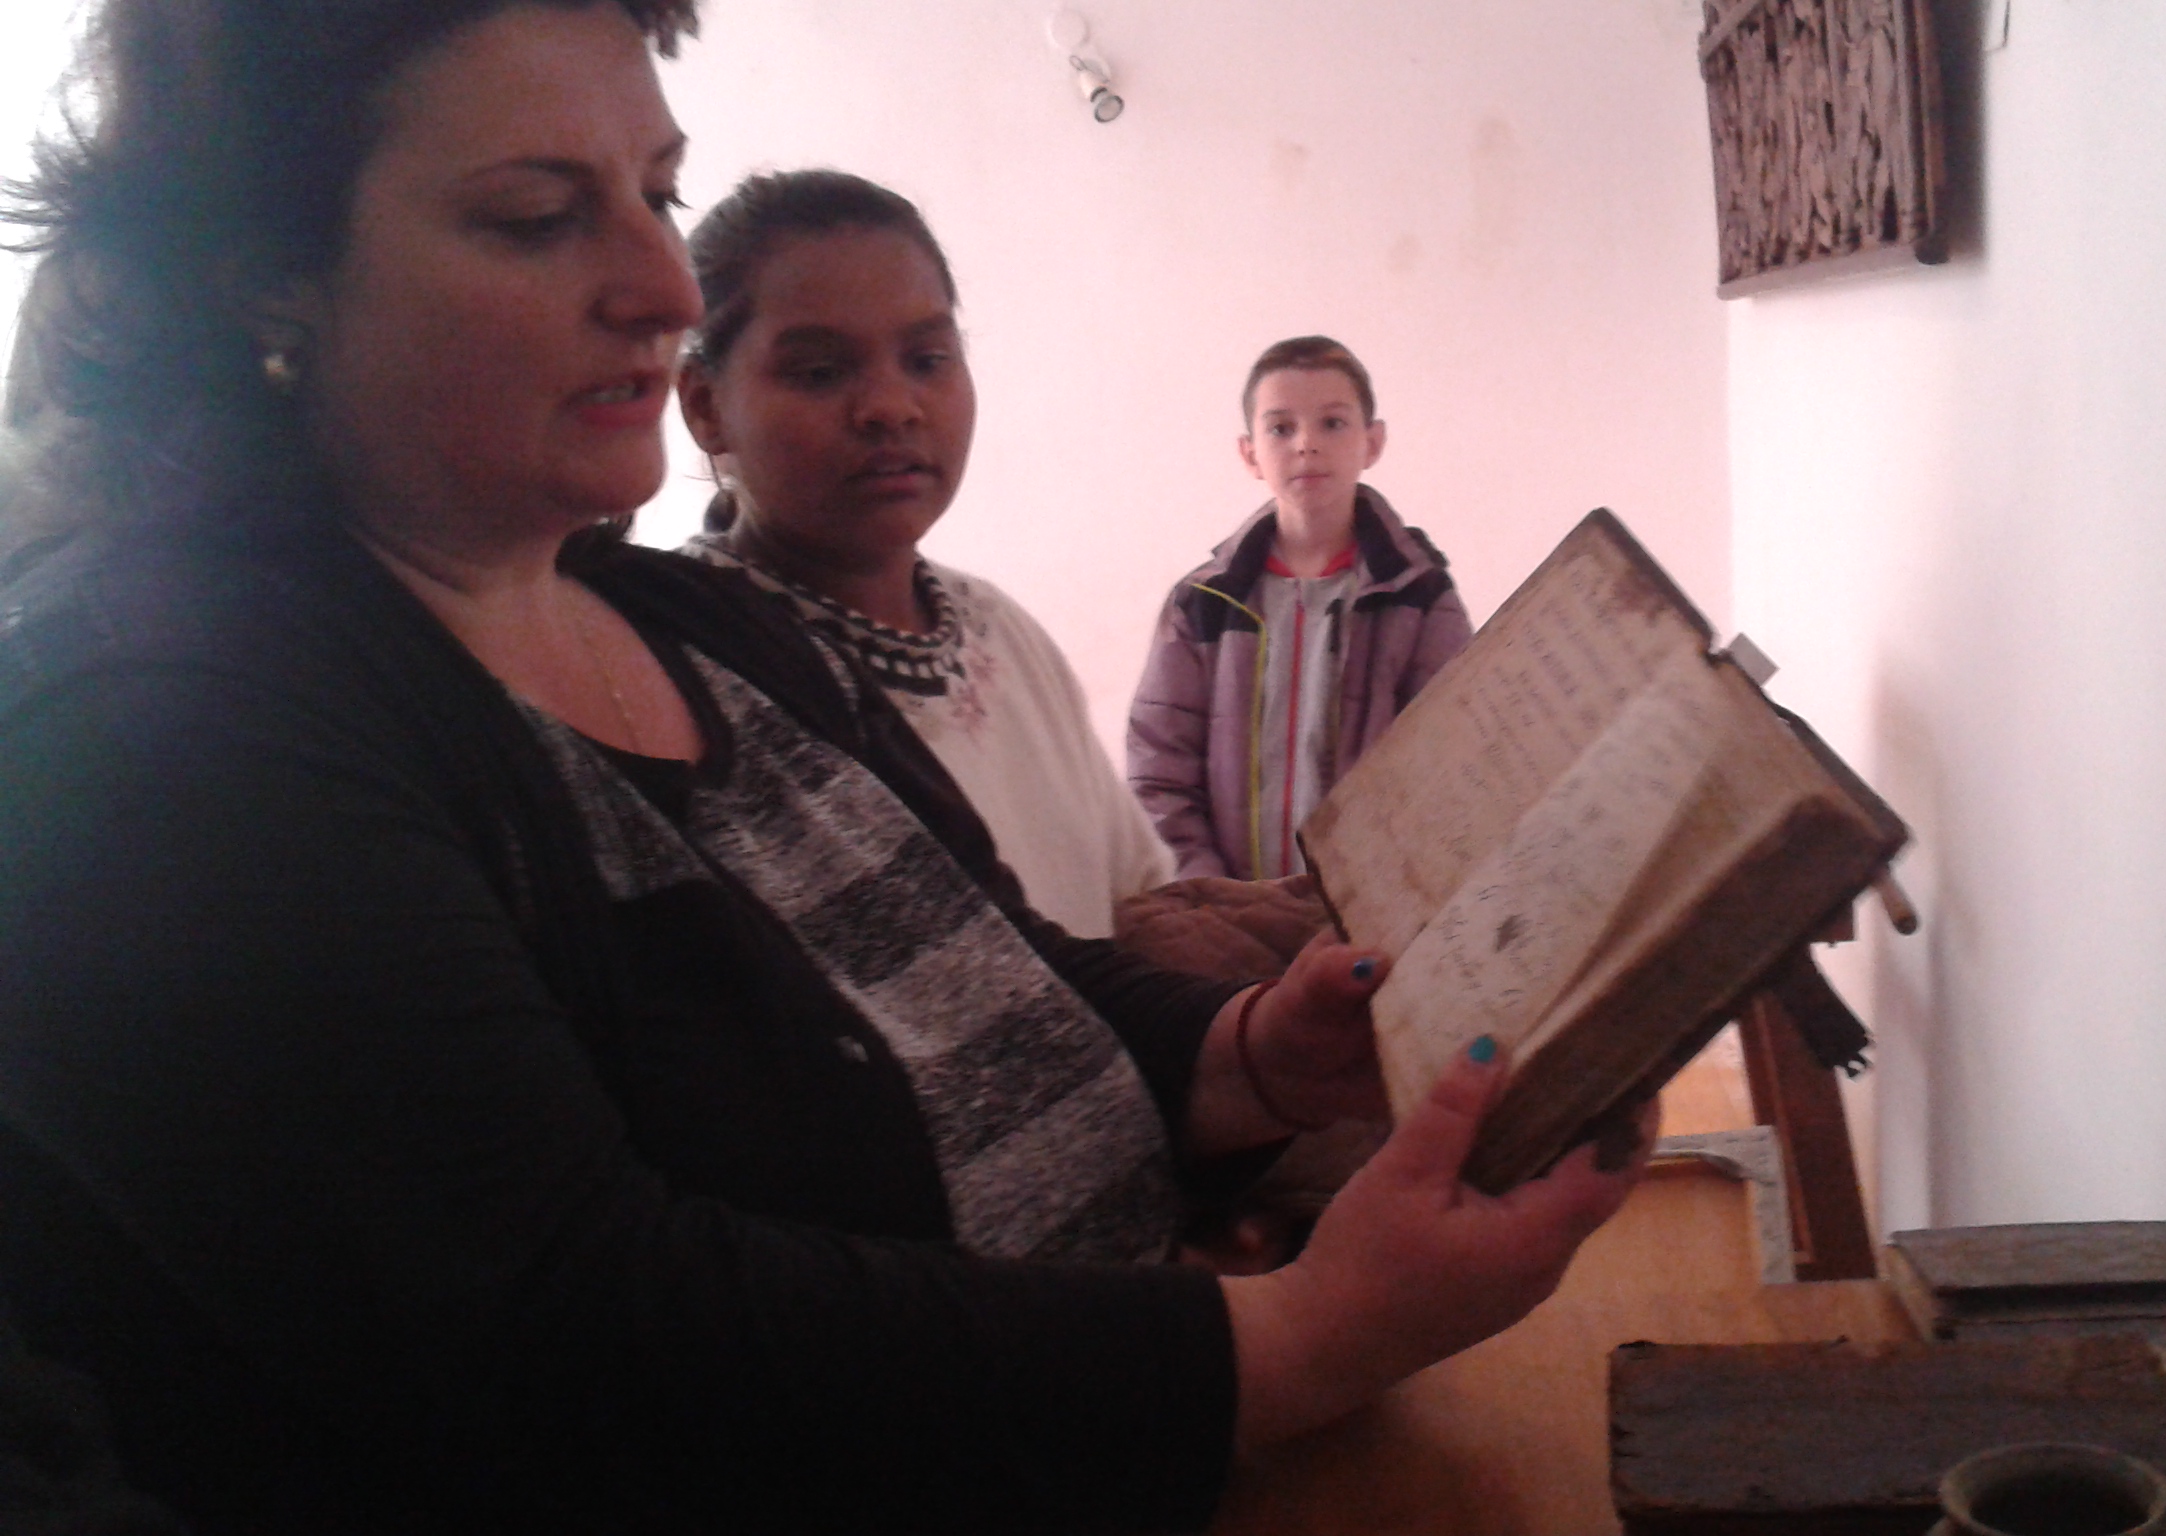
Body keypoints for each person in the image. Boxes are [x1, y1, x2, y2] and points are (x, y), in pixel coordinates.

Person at [0, 3, 1652, 1533]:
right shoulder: (165, 729)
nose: (660, 282)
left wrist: (1247, 1062)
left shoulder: (690, 620)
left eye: (657, 192)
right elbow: (577, 1336)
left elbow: (1007, 969)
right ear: (265, 277)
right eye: (537, 215)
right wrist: (1292, 1340)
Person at [674, 170, 1169, 940]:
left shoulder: (999, 631)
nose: (891, 407)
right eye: (820, 372)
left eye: (928, 359)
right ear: (706, 404)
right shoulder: (692, 676)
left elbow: (1131, 893)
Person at [1127, 335, 1472, 881]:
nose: (1306, 444)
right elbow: (1159, 777)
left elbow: (1452, 766)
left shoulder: (1421, 597)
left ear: (1372, 442)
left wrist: (1376, 899)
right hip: (1229, 915)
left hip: (1370, 911)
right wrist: (1215, 897)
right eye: (1281, 428)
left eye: (1332, 423)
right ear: (1250, 454)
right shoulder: (1202, 604)